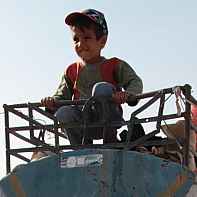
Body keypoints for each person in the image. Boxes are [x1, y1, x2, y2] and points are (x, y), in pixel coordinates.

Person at [41, 9, 143, 145]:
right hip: (82, 123)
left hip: (106, 121)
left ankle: (110, 137)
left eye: (87, 38)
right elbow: (61, 97)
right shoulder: (71, 70)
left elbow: (135, 81)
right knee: (63, 111)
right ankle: (80, 148)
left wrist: (128, 94)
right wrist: (51, 102)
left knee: (102, 88)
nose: (80, 44)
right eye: (76, 39)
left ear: (102, 41)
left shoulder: (114, 64)